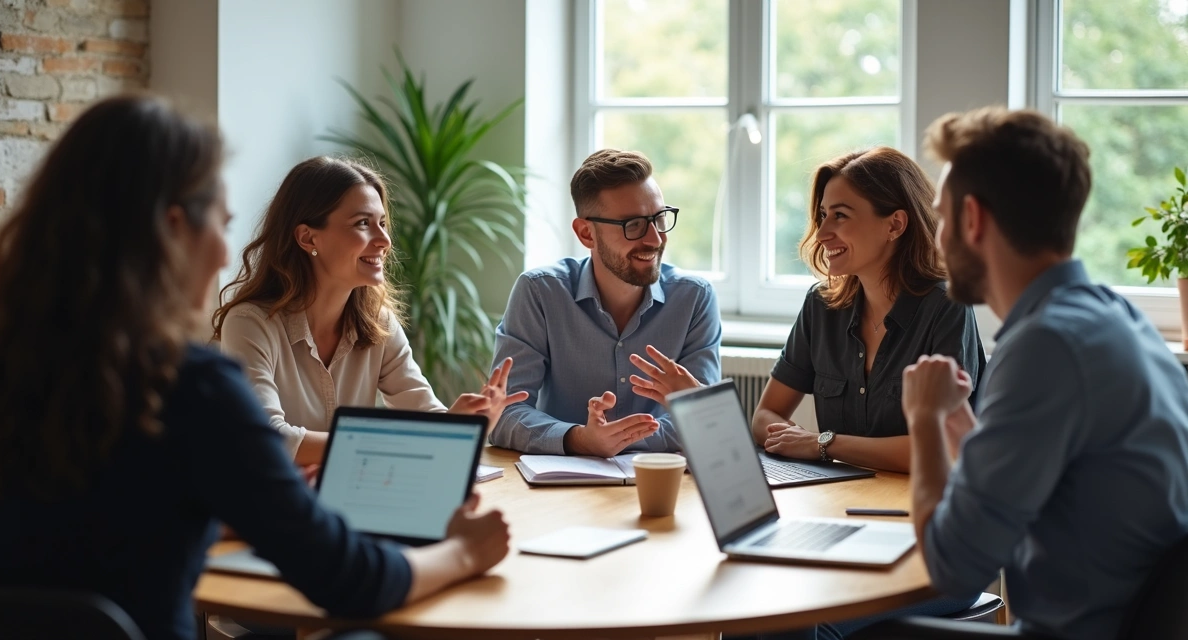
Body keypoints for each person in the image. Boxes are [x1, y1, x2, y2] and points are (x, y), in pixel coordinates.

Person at [0, 95, 511, 640]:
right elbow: (348, 579)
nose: (227, 255)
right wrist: (465, 552)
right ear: (174, 228)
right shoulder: (189, 387)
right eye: (222, 225)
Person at [896, 107, 1188, 639]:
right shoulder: (1115, 319)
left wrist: (922, 420)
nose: (936, 240)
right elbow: (1040, 478)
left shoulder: (1045, 346)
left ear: (973, 220)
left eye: (940, 218)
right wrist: (958, 422)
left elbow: (953, 566)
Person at [630, 147, 984, 474]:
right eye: (823, 215)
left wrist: (822, 445)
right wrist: (795, 440)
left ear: (895, 224)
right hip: (838, 494)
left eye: (841, 216)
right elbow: (764, 416)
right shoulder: (822, 305)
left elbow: (947, 445)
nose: (823, 232)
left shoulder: (946, 306)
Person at [214, 156, 527, 466]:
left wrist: (463, 425)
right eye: (362, 223)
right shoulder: (250, 324)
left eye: (382, 223)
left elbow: (426, 416)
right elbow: (269, 440)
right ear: (308, 237)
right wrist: (407, 439)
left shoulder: (378, 322)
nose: (385, 241)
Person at [488, 149, 722, 456]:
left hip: (659, 481)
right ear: (586, 233)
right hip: (560, 490)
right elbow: (503, 415)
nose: (654, 239)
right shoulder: (540, 293)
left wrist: (615, 440)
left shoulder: (694, 298)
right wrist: (579, 439)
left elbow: (705, 420)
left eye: (659, 218)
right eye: (634, 224)